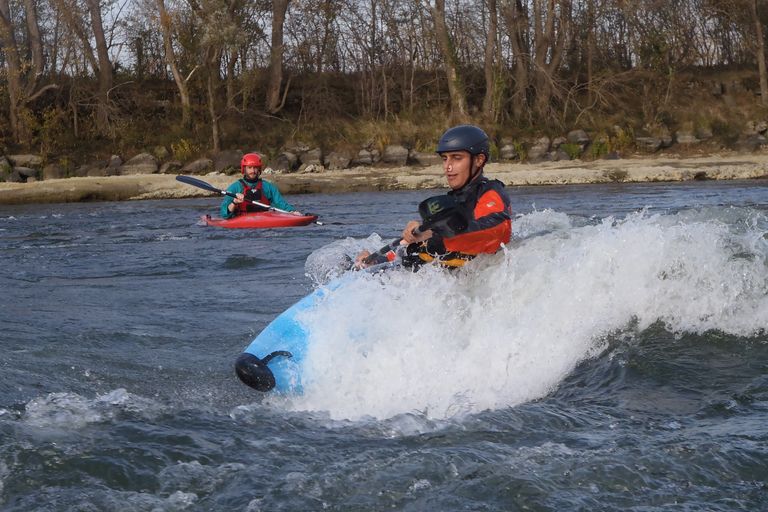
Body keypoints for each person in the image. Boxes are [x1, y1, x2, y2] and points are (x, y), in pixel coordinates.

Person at [356, 124, 512, 269]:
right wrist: (376, 261)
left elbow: (494, 229)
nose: (448, 166)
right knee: (349, 264)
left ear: (479, 160)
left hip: (457, 278)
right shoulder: (452, 201)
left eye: (457, 158)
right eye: (445, 158)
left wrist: (434, 232)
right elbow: (418, 247)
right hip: (419, 273)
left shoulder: (491, 193)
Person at [220, 153, 302, 218]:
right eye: (250, 167)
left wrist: (292, 212)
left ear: (259, 169)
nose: (253, 171)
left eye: (255, 168)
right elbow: (224, 214)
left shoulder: (268, 187)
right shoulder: (235, 187)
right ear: (244, 169)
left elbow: (280, 203)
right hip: (242, 220)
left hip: (265, 219)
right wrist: (234, 202)